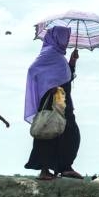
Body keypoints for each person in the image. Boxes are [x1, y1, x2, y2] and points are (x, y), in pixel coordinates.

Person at [25, 26, 82, 180]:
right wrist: (49, 86)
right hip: (53, 99)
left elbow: (66, 77)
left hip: (62, 98)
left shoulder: (58, 56)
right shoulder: (49, 54)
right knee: (49, 132)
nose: (67, 41)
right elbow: (33, 70)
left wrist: (72, 61)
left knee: (69, 133)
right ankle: (45, 170)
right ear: (58, 37)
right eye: (65, 37)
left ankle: (64, 167)